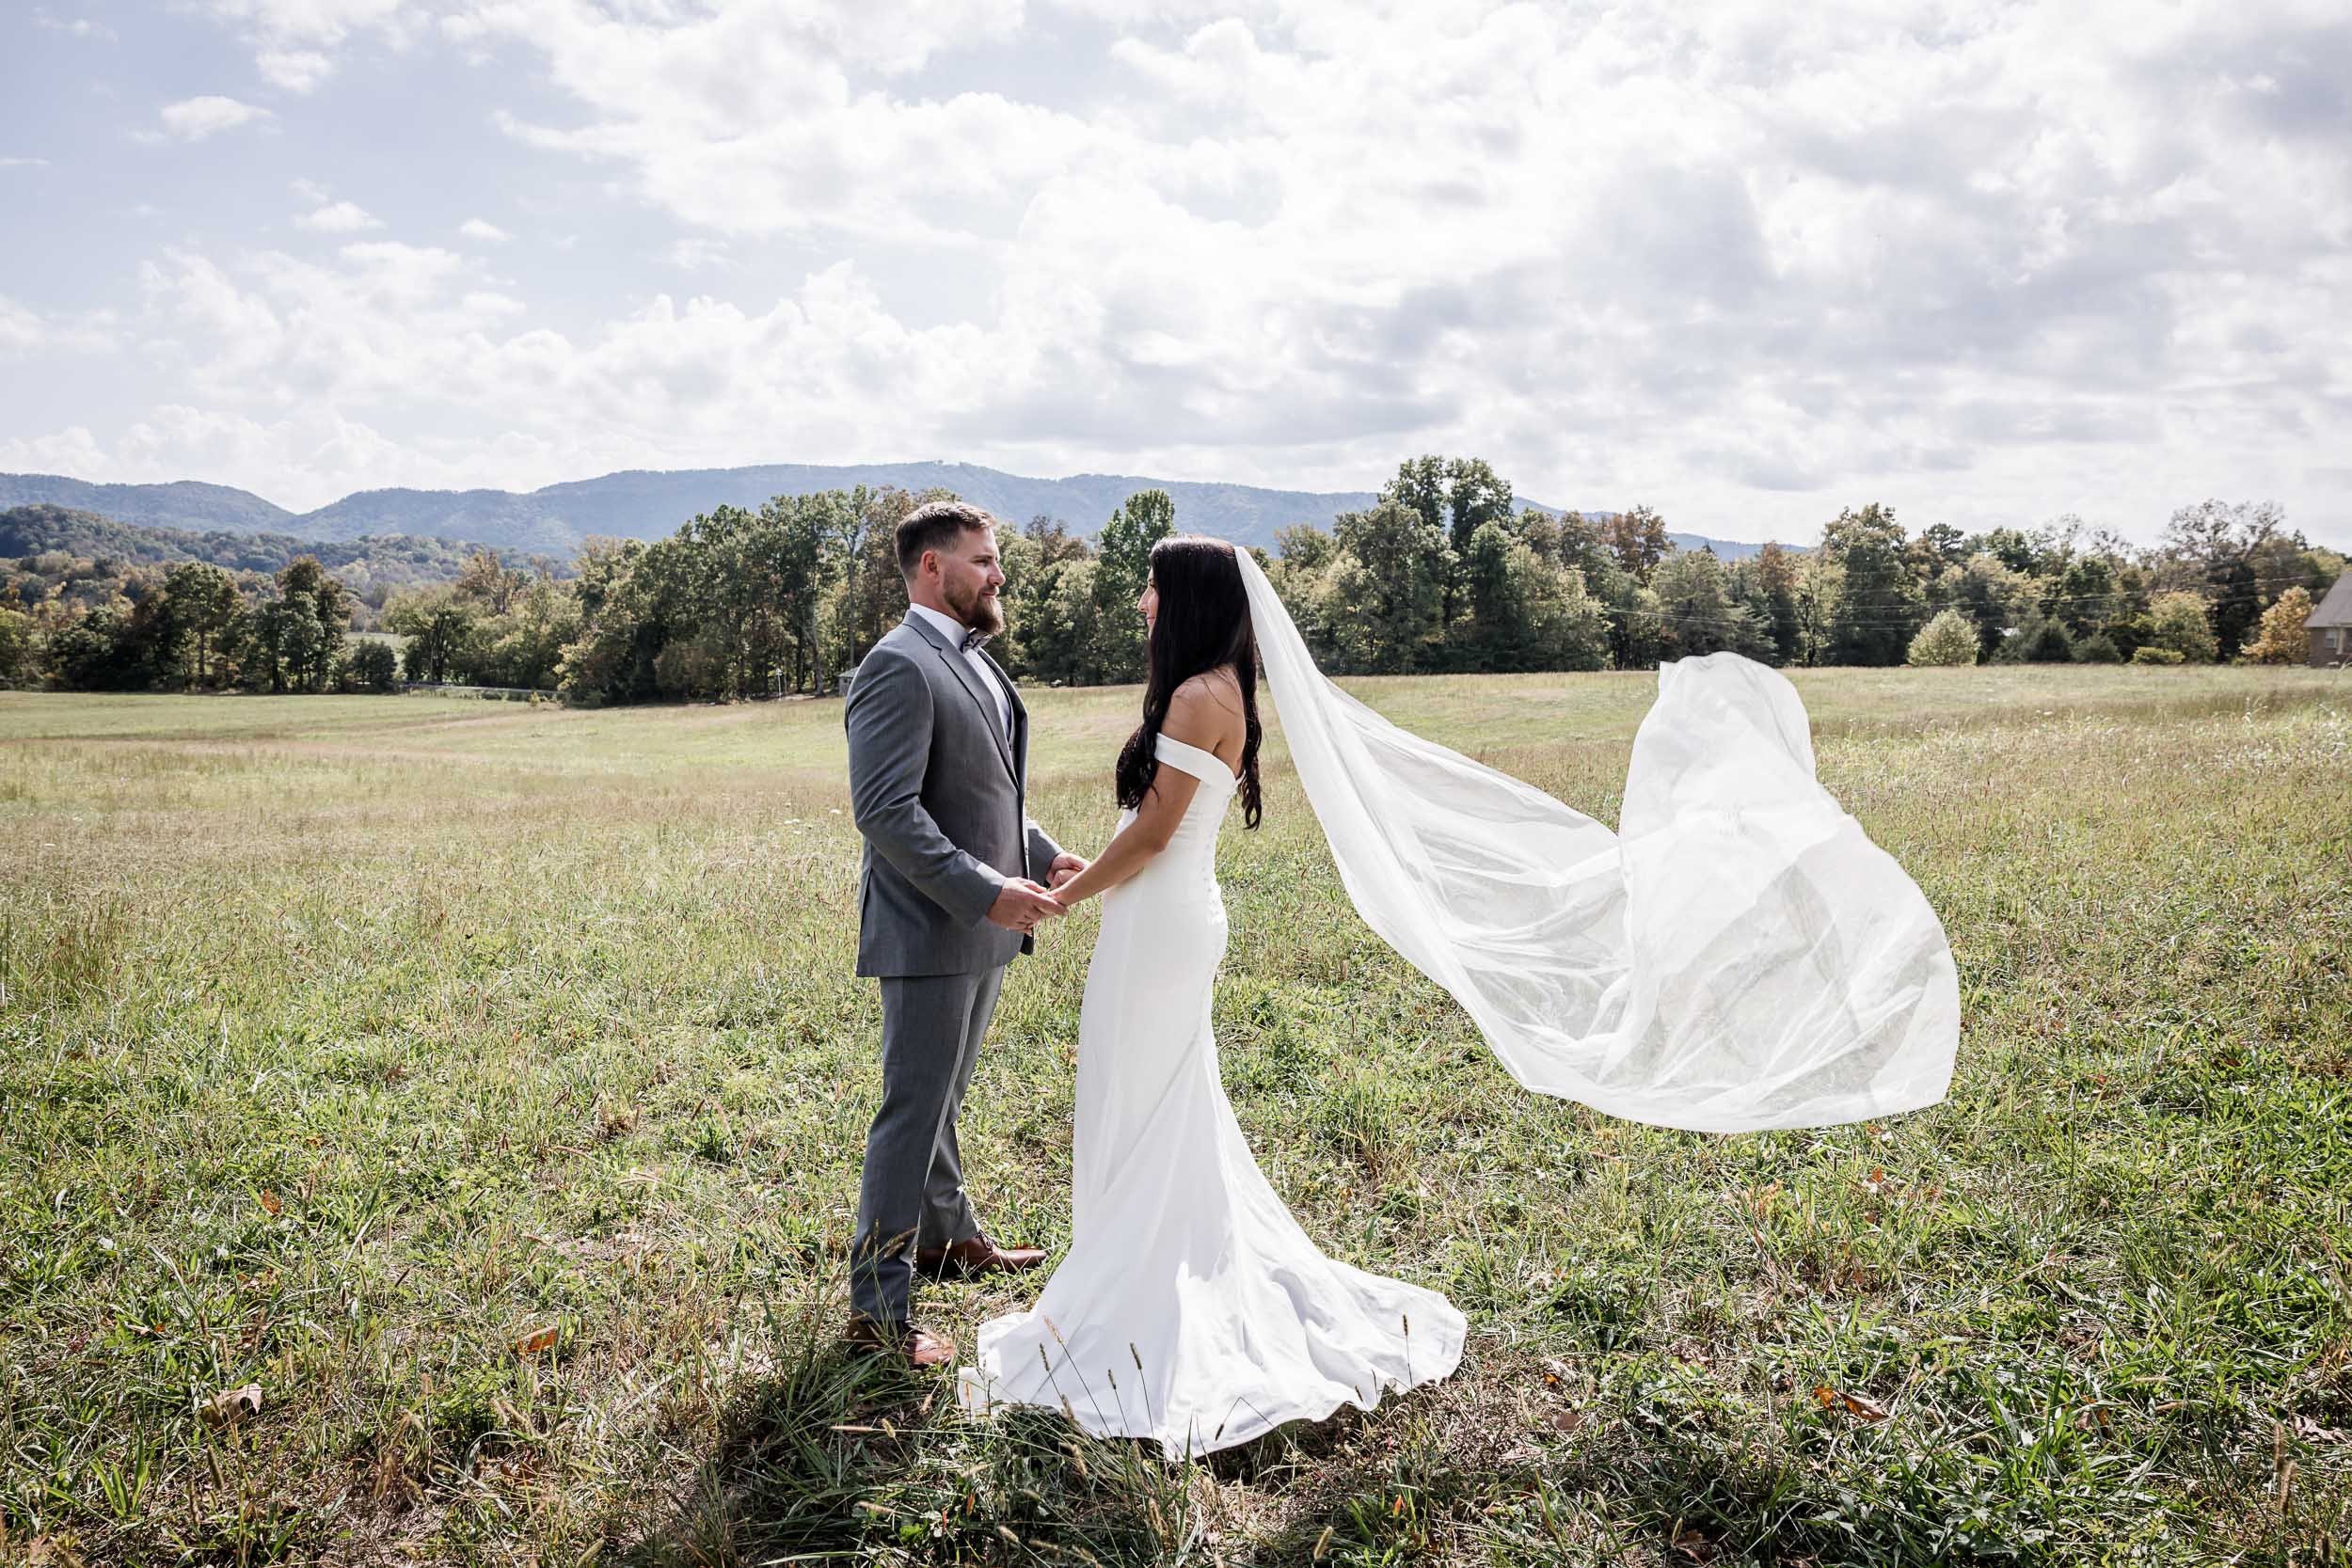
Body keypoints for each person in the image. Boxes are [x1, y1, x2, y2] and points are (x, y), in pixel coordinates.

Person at [957, 536, 1465, 1455]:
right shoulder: (1213, 687)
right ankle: (1132, 1265)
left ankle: (1133, 1292)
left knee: (1140, 1097)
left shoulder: (1199, 695)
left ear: (1186, 595)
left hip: (1161, 926)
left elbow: (1156, 833)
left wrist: (1063, 893)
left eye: (1150, 588)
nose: (1141, 603)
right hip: (1162, 915)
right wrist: (1089, 863)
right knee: (1154, 1098)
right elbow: (1151, 826)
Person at [841, 499, 1087, 1368]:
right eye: (982, 560)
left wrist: (1043, 854)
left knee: (944, 1098)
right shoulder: (899, 666)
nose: (998, 574)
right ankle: (877, 1307)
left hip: (981, 928)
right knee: (912, 1111)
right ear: (932, 569)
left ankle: (948, 1238)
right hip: (932, 927)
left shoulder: (973, 662)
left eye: (995, 558)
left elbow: (986, 795)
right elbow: (887, 813)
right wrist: (987, 892)